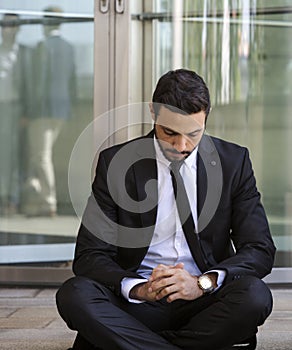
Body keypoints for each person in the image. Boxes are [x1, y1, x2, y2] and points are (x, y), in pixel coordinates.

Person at [56, 69, 276, 350]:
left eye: (193, 134)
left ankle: (131, 344)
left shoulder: (233, 162)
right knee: (75, 294)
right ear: (153, 113)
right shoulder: (116, 164)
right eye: (169, 132)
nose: (181, 146)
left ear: (207, 115)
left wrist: (202, 283)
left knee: (254, 296)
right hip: (137, 304)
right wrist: (139, 288)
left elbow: (259, 249)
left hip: (203, 301)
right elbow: (89, 256)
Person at [23, 6, 76, 217]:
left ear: (45, 23)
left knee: (42, 156)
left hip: (43, 110)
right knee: (41, 155)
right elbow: (71, 81)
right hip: (61, 111)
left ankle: (48, 202)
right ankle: (38, 195)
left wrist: (30, 110)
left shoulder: (42, 47)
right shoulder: (69, 47)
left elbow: (38, 82)